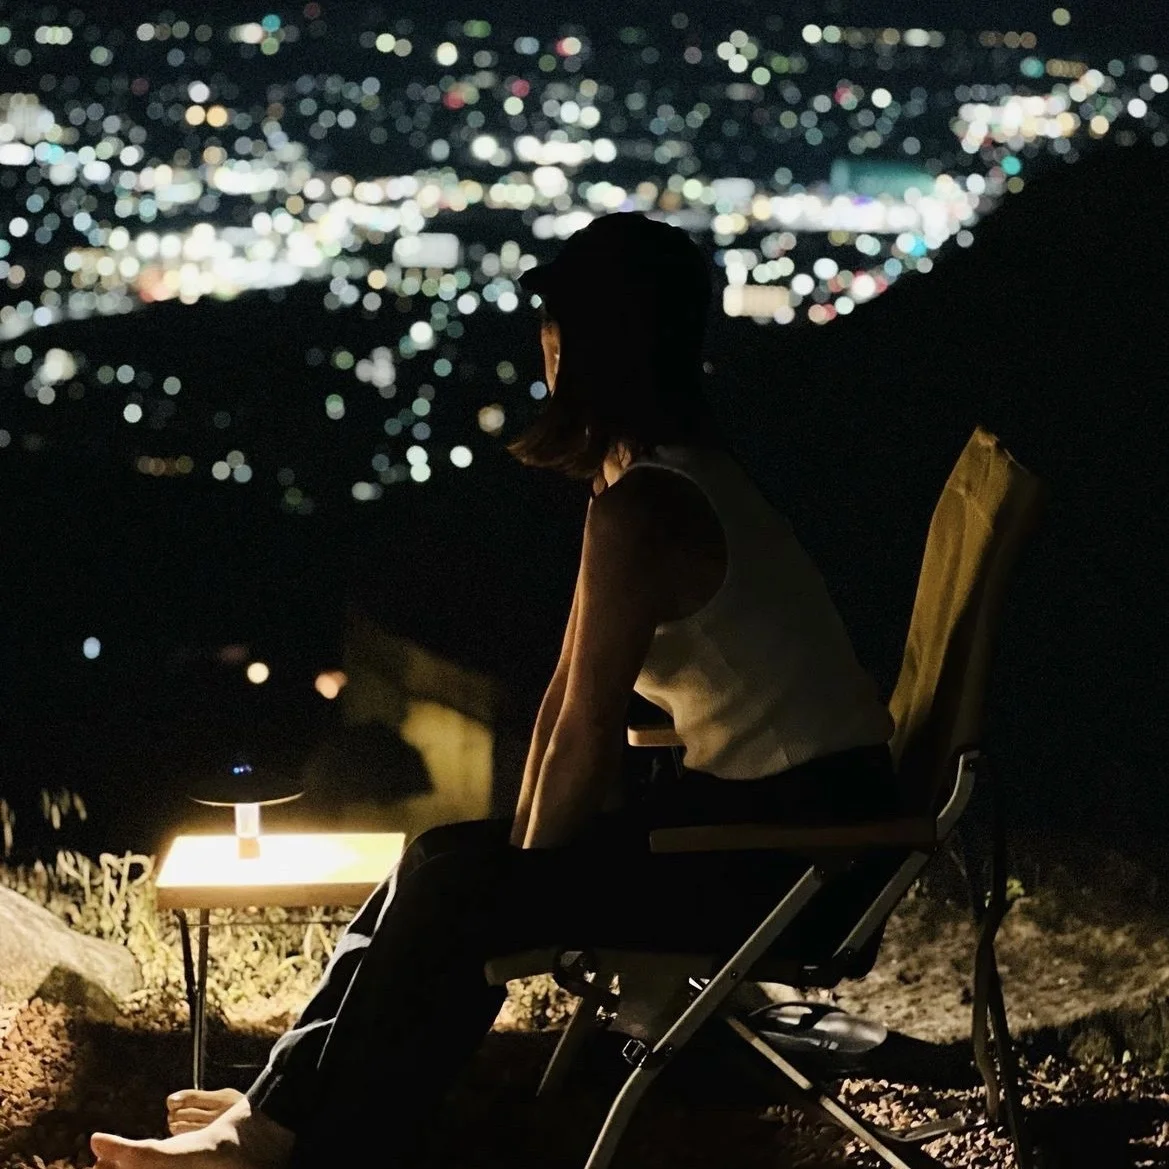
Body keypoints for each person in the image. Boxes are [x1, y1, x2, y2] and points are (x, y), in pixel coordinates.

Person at [90, 211, 899, 1169]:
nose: (541, 346)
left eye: (552, 326)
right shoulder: (664, 480)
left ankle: (315, 1146)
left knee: (462, 895)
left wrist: (529, 883)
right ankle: (270, 1114)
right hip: (782, 831)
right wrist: (516, 862)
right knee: (440, 861)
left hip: (788, 861)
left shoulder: (649, 504)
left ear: (584, 342)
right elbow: (565, 693)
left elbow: (587, 723)